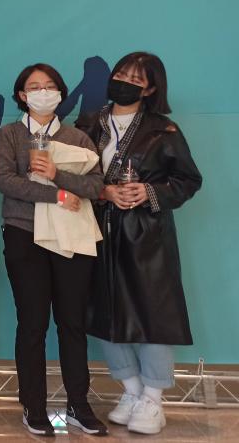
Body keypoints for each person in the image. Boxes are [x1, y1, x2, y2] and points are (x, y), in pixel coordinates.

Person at [76, 52, 202, 436]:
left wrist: (149, 192)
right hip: (97, 229)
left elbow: (188, 180)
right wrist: (103, 192)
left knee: (152, 316)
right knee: (103, 310)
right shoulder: (87, 124)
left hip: (147, 236)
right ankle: (130, 391)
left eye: (135, 79)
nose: (124, 82)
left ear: (149, 89)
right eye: (121, 74)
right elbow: (74, 174)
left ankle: (153, 398)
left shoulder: (164, 130)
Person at [0, 63, 107, 437]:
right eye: (34, 87)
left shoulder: (78, 138)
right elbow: (6, 182)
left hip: (71, 237)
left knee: (72, 321)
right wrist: (55, 194)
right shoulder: (9, 135)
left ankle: (78, 404)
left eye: (50, 86)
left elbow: (96, 186)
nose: (43, 92)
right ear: (22, 95)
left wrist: (58, 175)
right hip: (24, 234)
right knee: (33, 322)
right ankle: (34, 406)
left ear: (60, 93)